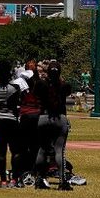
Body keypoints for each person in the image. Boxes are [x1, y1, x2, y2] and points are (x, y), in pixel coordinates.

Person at [34, 60, 72, 190]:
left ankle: (40, 179)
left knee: (42, 149)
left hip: (44, 117)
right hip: (60, 117)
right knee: (59, 150)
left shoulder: (41, 84)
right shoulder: (64, 85)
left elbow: (36, 93)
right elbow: (65, 90)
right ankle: (62, 181)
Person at [0, 61, 22, 188]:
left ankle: (3, 180)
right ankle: (14, 179)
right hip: (12, 120)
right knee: (15, 151)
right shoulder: (15, 88)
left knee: (1, 152)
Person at [16, 59, 41, 186]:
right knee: (32, 146)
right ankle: (30, 170)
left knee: (28, 146)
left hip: (27, 117)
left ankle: (28, 170)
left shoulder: (34, 87)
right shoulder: (27, 88)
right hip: (31, 117)